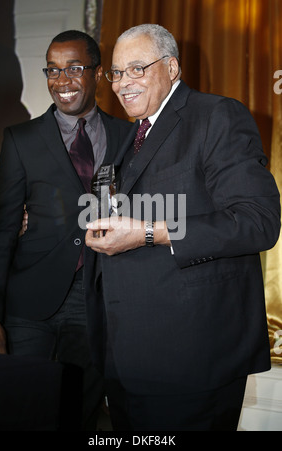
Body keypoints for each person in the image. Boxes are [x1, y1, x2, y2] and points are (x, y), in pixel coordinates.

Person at [85, 24, 281, 431]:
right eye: (116, 73)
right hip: (128, 356)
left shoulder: (216, 115)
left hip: (192, 359)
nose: (123, 84)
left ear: (172, 67)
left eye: (137, 68)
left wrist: (150, 232)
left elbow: (257, 222)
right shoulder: (131, 135)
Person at [0, 30, 132, 430]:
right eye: (53, 70)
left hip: (97, 298)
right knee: (19, 411)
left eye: (74, 69)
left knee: (79, 411)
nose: (61, 81)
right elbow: (0, 231)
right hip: (28, 303)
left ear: (98, 74)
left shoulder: (129, 138)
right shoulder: (21, 140)